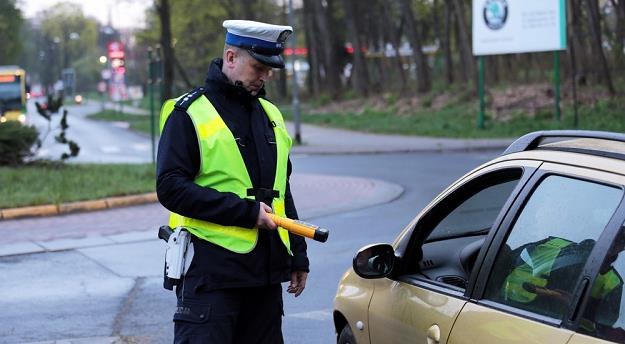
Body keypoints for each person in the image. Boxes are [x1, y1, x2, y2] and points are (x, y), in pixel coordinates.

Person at [156, 19, 309, 343]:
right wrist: (246, 212)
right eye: (258, 67)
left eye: (271, 69)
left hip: (265, 280)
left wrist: (297, 255)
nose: (266, 76)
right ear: (230, 58)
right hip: (211, 279)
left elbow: (282, 190)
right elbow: (170, 187)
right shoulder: (189, 113)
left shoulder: (271, 115)